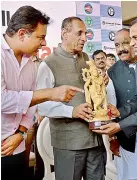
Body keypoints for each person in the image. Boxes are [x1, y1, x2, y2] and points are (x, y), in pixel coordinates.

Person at [1, 6, 83, 180]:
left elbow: (31, 105)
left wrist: (21, 133)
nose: (44, 43)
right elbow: (2, 100)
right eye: (41, 37)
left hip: (17, 144)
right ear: (22, 34)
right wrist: (49, 93)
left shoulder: (30, 64)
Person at [37, 17, 107, 180]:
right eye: (79, 33)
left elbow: (95, 90)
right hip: (68, 144)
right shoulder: (48, 64)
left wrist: (102, 82)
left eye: (86, 33)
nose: (84, 38)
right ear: (64, 33)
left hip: (95, 139)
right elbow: (41, 105)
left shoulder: (87, 59)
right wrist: (72, 111)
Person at [93, 15, 137, 180]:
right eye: (128, 40)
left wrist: (119, 126)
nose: (130, 44)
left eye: (134, 38)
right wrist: (118, 113)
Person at [108, 28, 137, 180]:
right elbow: (110, 106)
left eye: (125, 43)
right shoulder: (112, 72)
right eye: (117, 45)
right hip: (125, 139)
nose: (121, 49)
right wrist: (112, 139)